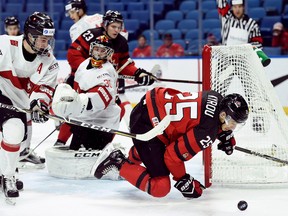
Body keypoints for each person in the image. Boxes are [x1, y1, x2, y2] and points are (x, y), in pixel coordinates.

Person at [93, 88, 249, 198]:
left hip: (152, 103)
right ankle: (118, 161)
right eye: (232, 122)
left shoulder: (216, 96)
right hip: (148, 126)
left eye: (236, 124)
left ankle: (132, 160)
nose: (232, 127)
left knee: (164, 143)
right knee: (161, 187)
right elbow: (172, 156)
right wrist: (184, 180)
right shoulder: (206, 133)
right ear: (222, 114)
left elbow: (204, 120)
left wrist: (223, 134)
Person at [54, 10, 155, 146]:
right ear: (106, 25)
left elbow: (124, 64)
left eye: (119, 27)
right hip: (81, 80)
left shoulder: (121, 42)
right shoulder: (92, 35)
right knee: (75, 107)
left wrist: (138, 74)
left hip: (103, 81)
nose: (116, 30)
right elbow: (73, 53)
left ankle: (104, 144)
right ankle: (60, 141)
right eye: (113, 26)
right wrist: (89, 71)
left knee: (118, 109)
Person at [0, 12, 58, 200]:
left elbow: (45, 88)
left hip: (16, 103)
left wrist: (39, 104)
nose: (45, 44)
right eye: (42, 39)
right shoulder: (5, 45)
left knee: (15, 133)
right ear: (30, 35)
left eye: (48, 39)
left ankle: (7, 174)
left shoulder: (49, 61)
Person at [52, 35, 121, 151]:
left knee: (92, 161)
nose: (98, 53)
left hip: (102, 124)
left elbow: (100, 99)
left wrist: (74, 106)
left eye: (102, 50)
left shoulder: (107, 72)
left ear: (108, 53)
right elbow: (76, 89)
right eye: (96, 49)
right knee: (75, 154)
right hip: (84, 120)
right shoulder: (84, 64)